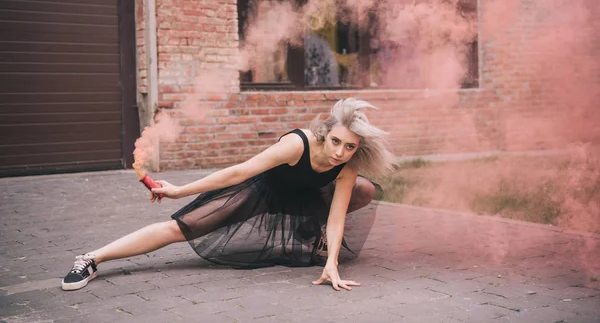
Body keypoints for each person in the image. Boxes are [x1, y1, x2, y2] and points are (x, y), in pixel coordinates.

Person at [61, 98, 395, 292]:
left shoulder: (348, 166)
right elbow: (238, 172)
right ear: (325, 133)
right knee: (180, 227)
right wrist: (180, 190)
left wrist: (332, 266)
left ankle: (316, 240)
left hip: (306, 197)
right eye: (336, 142)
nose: (340, 152)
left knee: (363, 189)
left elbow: (337, 216)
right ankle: (92, 258)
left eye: (350, 147)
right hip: (264, 191)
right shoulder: (298, 144)